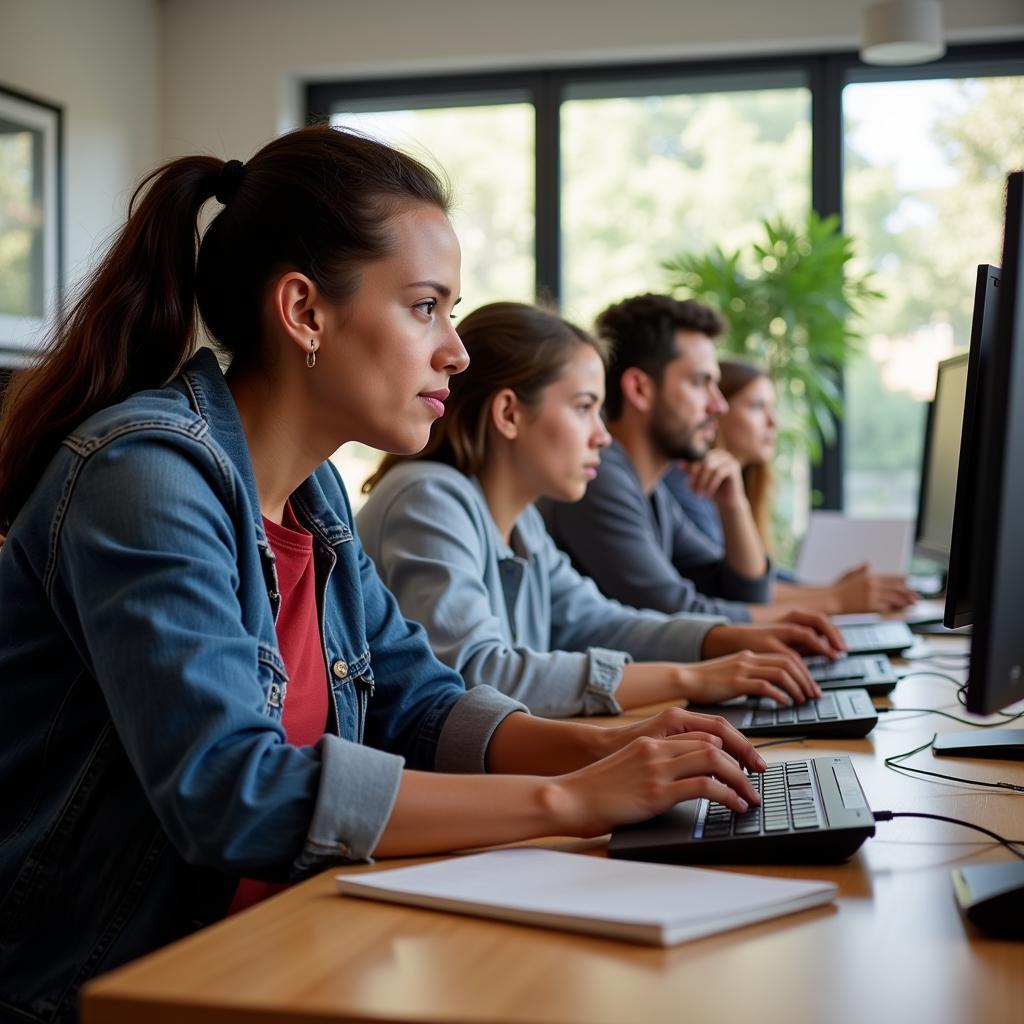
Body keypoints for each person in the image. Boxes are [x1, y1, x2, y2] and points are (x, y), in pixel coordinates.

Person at [0, 128, 764, 1022]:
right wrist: (569, 798)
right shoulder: (145, 476)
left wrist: (609, 749)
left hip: (282, 937)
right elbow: (227, 791)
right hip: (106, 986)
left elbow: (415, 698)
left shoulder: (314, 491)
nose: (458, 353)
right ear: (305, 312)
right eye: (424, 307)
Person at [357, 302, 831, 719]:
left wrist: (726, 640)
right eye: (584, 408)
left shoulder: (523, 525)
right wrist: (691, 678)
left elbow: (598, 621)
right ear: (508, 415)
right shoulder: (428, 499)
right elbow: (476, 673)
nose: (603, 437)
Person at [662, 357, 916, 613]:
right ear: (716, 412)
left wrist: (835, 590)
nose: (775, 422)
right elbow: (731, 590)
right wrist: (837, 596)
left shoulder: (732, 489)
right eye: (757, 406)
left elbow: (762, 581)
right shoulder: (686, 485)